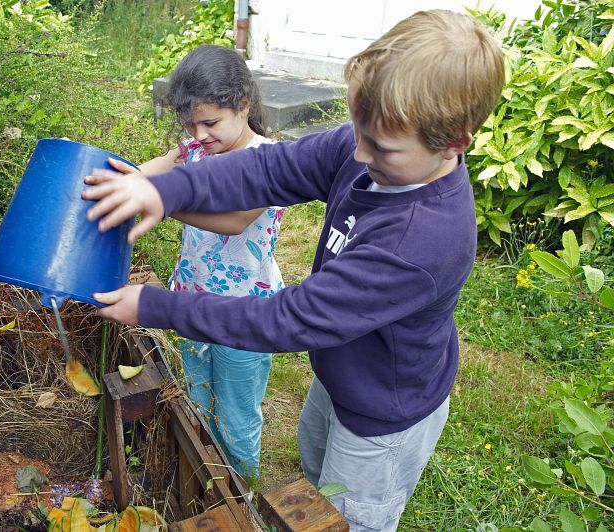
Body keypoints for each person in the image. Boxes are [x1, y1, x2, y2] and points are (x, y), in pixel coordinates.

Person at [83, 10, 505, 531]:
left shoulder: (419, 240)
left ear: (454, 143)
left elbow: (288, 320)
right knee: (317, 480)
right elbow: (270, 168)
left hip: (383, 413)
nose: (356, 152)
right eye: (357, 129)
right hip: (343, 372)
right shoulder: (372, 147)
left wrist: (154, 305)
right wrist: (163, 188)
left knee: (350, 517)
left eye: (381, 147)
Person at [103, 44, 285, 481]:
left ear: (243, 104)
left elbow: (235, 222)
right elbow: (146, 172)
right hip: (190, 297)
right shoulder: (194, 148)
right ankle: (200, 481)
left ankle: (240, 495)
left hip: (246, 312)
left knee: (237, 417)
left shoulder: (271, 161)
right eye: (191, 124)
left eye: (210, 122)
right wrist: (115, 183)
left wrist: (161, 204)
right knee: (195, 400)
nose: (200, 133)